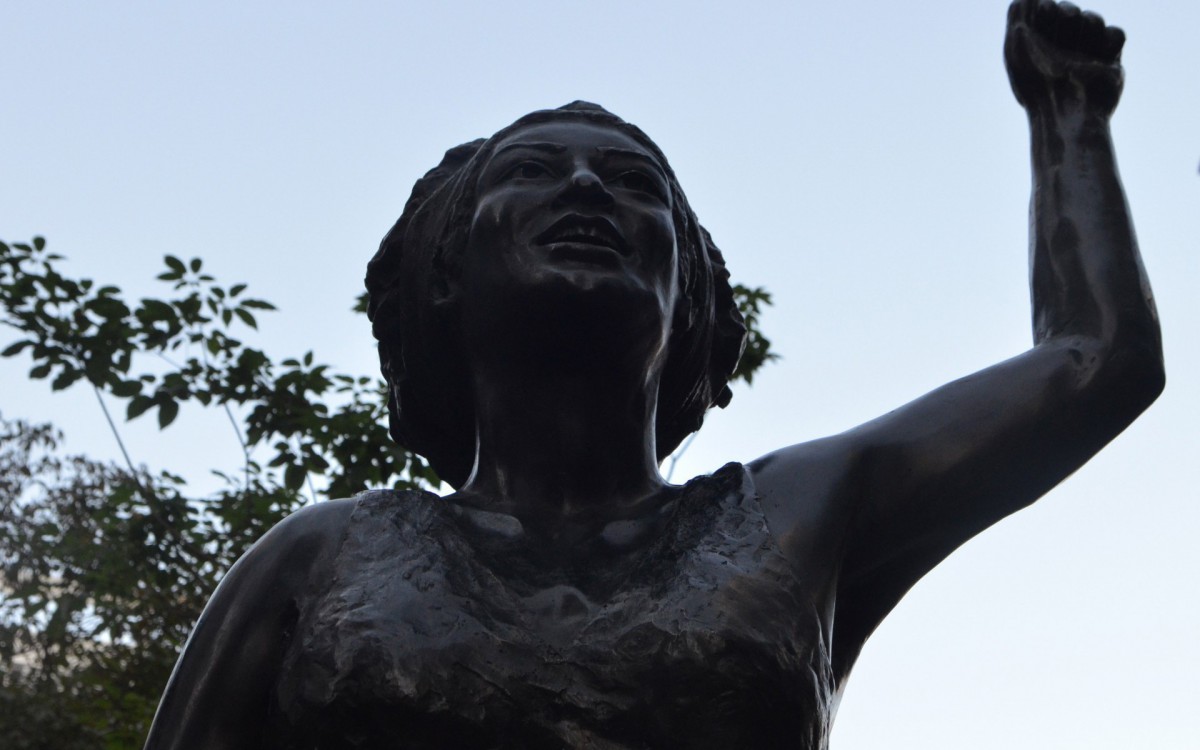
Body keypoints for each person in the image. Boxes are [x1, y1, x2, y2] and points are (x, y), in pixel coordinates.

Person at [144, 2, 1163, 748]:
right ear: (445, 272)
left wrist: (1067, 113)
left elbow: (1093, 366)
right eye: (532, 171)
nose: (588, 185)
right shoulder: (325, 558)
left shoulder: (798, 516)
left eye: (638, 188)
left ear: (691, 301)